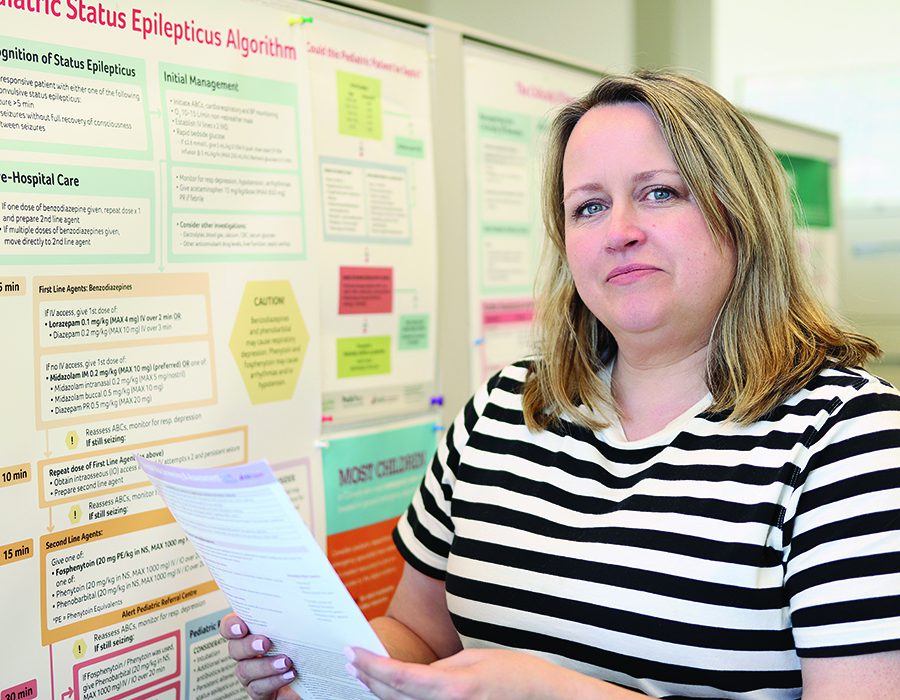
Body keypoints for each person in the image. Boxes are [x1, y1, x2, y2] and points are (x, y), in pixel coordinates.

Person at [221, 71, 900, 699]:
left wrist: (550, 691)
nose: (620, 233)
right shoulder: (504, 410)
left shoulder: (850, 444)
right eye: (589, 207)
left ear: (741, 213)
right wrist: (324, 666)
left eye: (659, 193)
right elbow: (423, 638)